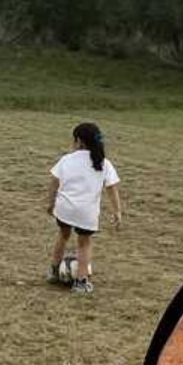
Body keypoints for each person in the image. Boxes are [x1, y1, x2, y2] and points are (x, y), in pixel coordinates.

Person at [46, 122, 122, 295]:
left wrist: (51, 204)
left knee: (63, 235)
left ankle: (53, 271)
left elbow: (54, 184)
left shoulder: (66, 159)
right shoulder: (104, 163)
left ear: (79, 141)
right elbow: (112, 189)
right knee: (84, 244)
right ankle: (81, 282)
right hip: (86, 213)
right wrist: (117, 211)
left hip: (64, 208)